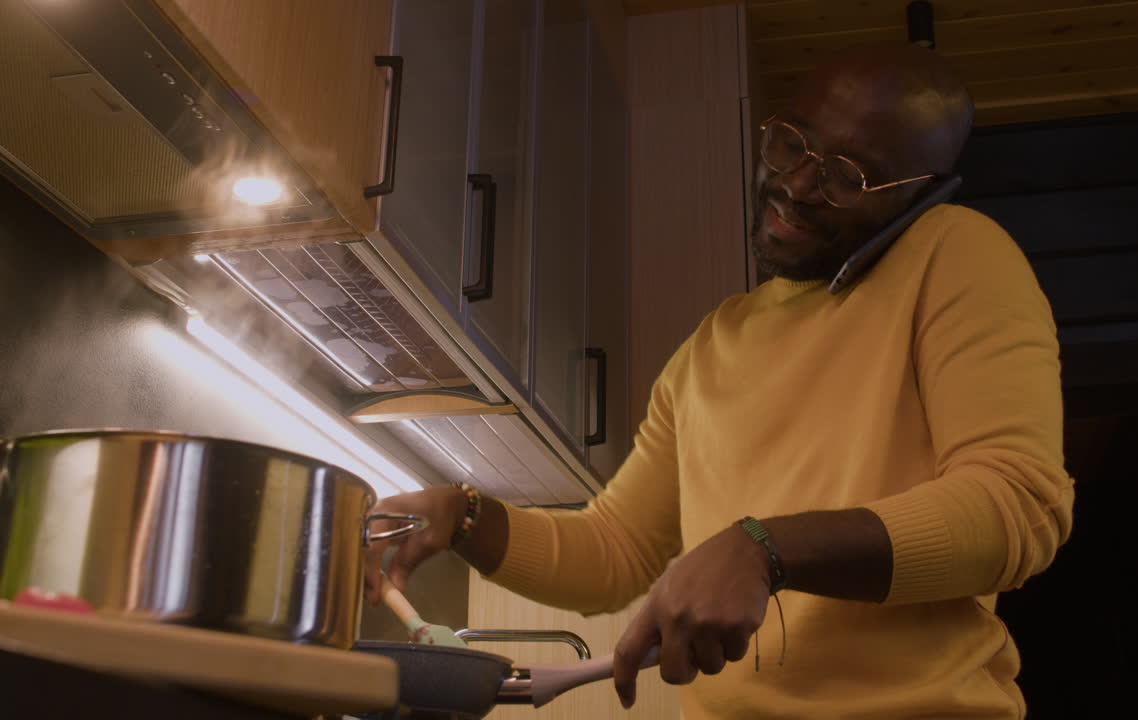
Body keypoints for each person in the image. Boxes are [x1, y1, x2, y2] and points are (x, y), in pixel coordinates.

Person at [365, 42, 1074, 719]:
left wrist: (764, 548)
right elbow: (614, 552)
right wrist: (463, 516)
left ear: (927, 193)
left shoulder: (955, 253)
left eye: (848, 176)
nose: (796, 186)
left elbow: (1017, 506)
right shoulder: (714, 343)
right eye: (793, 143)